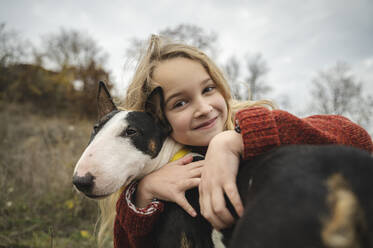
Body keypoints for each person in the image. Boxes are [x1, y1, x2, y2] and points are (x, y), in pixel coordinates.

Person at [97, 35, 373, 248]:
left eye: (208, 89)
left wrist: (234, 141)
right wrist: (145, 193)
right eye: (180, 102)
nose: (204, 108)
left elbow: (356, 138)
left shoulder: (254, 126)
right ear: (157, 118)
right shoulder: (154, 173)